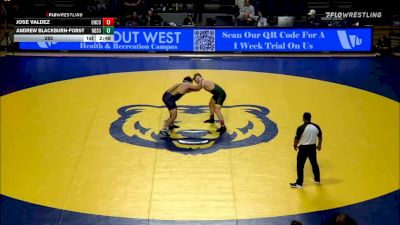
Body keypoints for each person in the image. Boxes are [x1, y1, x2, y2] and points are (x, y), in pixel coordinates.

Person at [290, 112, 322, 188]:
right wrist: (319, 144)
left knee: (300, 165)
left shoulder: (301, 128)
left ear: (303, 118)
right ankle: (317, 179)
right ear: (310, 118)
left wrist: (295, 145)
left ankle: (299, 183)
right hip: (312, 148)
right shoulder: (316, 127)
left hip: (303, 148)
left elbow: (296, 138)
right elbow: (320, 136)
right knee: (314, 163)